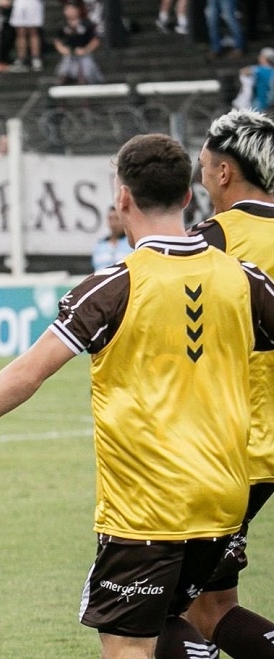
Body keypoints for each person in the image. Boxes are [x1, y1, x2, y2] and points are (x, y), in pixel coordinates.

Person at [0, 132, 274, 659]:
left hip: (148, 508)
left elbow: (27, 374)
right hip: (225, 500)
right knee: (187, 618)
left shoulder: (116, 286)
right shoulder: (245, 279)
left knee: (128, 644)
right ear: (189, 195)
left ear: (122, 198)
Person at [184, 108, 274, 659]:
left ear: (223, 173)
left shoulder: (211, 240)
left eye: (202, 166)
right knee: (214, 606)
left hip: (233, 449)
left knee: (182, 610)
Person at [53, 1, 104, 85]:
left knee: (86, 67)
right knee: (65, 67)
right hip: (69, 54)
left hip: (84, 53)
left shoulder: (87, 24)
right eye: (67, 9)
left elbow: (96, 40)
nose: (69, 11)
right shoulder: (62, 25)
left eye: (72, 9)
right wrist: (62, 49)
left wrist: (86, 49)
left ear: (78, 10)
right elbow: (57, 41)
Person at [91, 204, 133, 270]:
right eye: (110, 219)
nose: (113, 224)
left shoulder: (132, 243)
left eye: (117, 219)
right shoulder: (99, 245)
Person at [8, 0, 45, 71]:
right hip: (19, 3)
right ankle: (21, 59)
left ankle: (36, 58)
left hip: (34, 3)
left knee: (33, 32)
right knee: (20, 32)